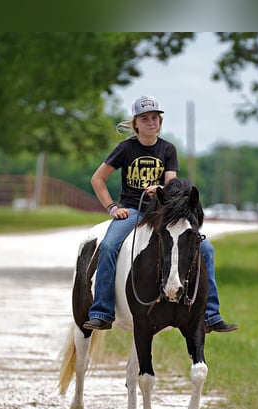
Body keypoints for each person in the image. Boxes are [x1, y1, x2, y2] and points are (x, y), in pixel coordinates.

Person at [83, 95, 237, 334]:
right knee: (109, 245)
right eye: (145, 119)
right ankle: (102, 311)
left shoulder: (167, 149)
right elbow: (97, 179)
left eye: (155, 117)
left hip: (160, 213)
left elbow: (172, 187)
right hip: (133, 210)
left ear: (160, 121)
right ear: (136, 123)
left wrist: (161, 189)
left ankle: (211, 314)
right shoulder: (125, 149)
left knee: (206, 249)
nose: (151, 122)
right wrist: (112, 207)